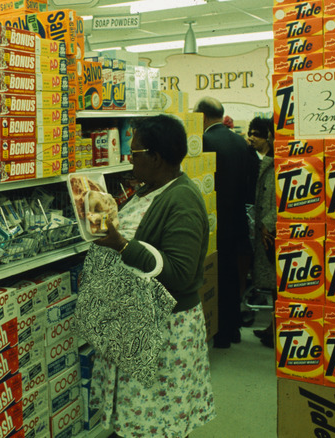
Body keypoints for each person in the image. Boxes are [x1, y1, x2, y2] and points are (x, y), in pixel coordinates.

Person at [89, 114, 215, 438]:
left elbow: (181, 275)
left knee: (157, 425)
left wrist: (122, 245)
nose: (130, 160)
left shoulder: (182, 199)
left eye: (135, 153)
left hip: (164, 334)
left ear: (156, 157)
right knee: (135, 423)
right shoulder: (150, 190)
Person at [193, 97, 254, 348]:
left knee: (216, 276)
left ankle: (221, 333)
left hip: (215, 219)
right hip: (238, 218)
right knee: (233, 275)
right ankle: (233, 327)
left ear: (203, 117)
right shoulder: (241, 142)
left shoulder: (205, 142)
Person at [247, 116, 277, 348]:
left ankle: (275, 329)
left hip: (272, 229)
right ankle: (273, 327)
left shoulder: (276, 162)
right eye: (250, 133)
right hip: (264, 226)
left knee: (278, 282)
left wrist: (269, 222)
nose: (252, 138)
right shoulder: (261, 160)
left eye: (257, 133)